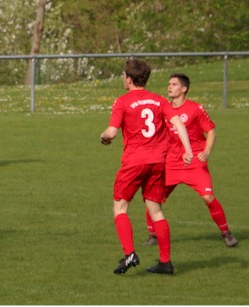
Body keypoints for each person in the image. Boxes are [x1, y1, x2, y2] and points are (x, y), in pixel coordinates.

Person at [100, 59, 194, 275]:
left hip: (134, 162)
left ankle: (130, 254)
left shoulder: (122, 101)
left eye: (124, 76)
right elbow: (178, 123)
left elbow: (112, 132)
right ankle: (165, 262)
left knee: (120, 208)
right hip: (158, 162)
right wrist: (188, 150)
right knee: (156, 211)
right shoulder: (160, 100)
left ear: (129, 80)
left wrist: (103, 136)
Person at [142, 73, 238, 248]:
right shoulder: (163, 109)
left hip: (194, 161)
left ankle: (226, 233)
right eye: (169, 84)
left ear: (184, 88)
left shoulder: (195, 109)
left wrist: (207, 151)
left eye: (174, 84)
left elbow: (211, 132)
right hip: (170, 162)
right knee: (153, 197)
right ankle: (152, 235)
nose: (169, 87)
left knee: (208, 196)